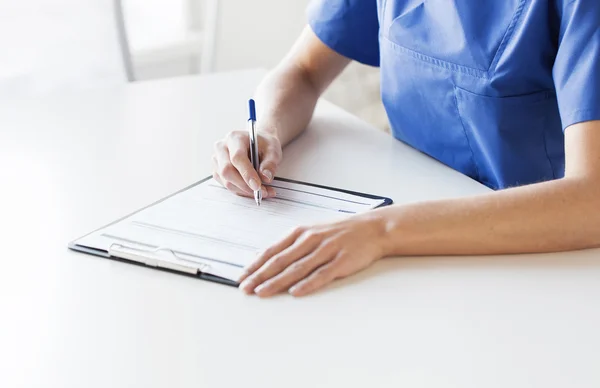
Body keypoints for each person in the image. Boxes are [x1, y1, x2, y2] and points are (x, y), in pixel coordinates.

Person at [211, 0, 600, 297]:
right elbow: (304, 71)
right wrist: (265, 128)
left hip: (543, 263)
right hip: (411, 249)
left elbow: (591, 200)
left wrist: (382, 231)